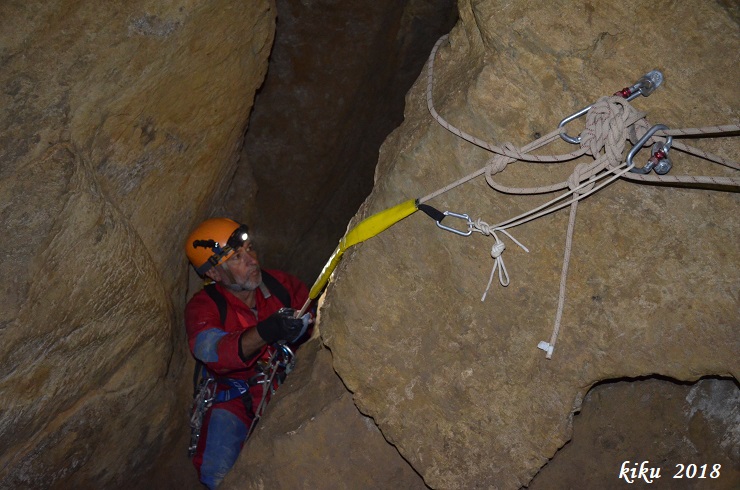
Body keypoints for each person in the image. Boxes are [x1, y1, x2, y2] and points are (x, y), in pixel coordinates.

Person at [184, 217, 311, 489]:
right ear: (214, 274)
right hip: (234, 398)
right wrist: (267, 331)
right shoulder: (204, 307)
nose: (252, 260)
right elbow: (213, 351)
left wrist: (301, 328)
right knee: (216, 474)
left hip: (286, 384)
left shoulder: (280, 285)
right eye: (236, 258)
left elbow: (315, 316)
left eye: (250, 249)